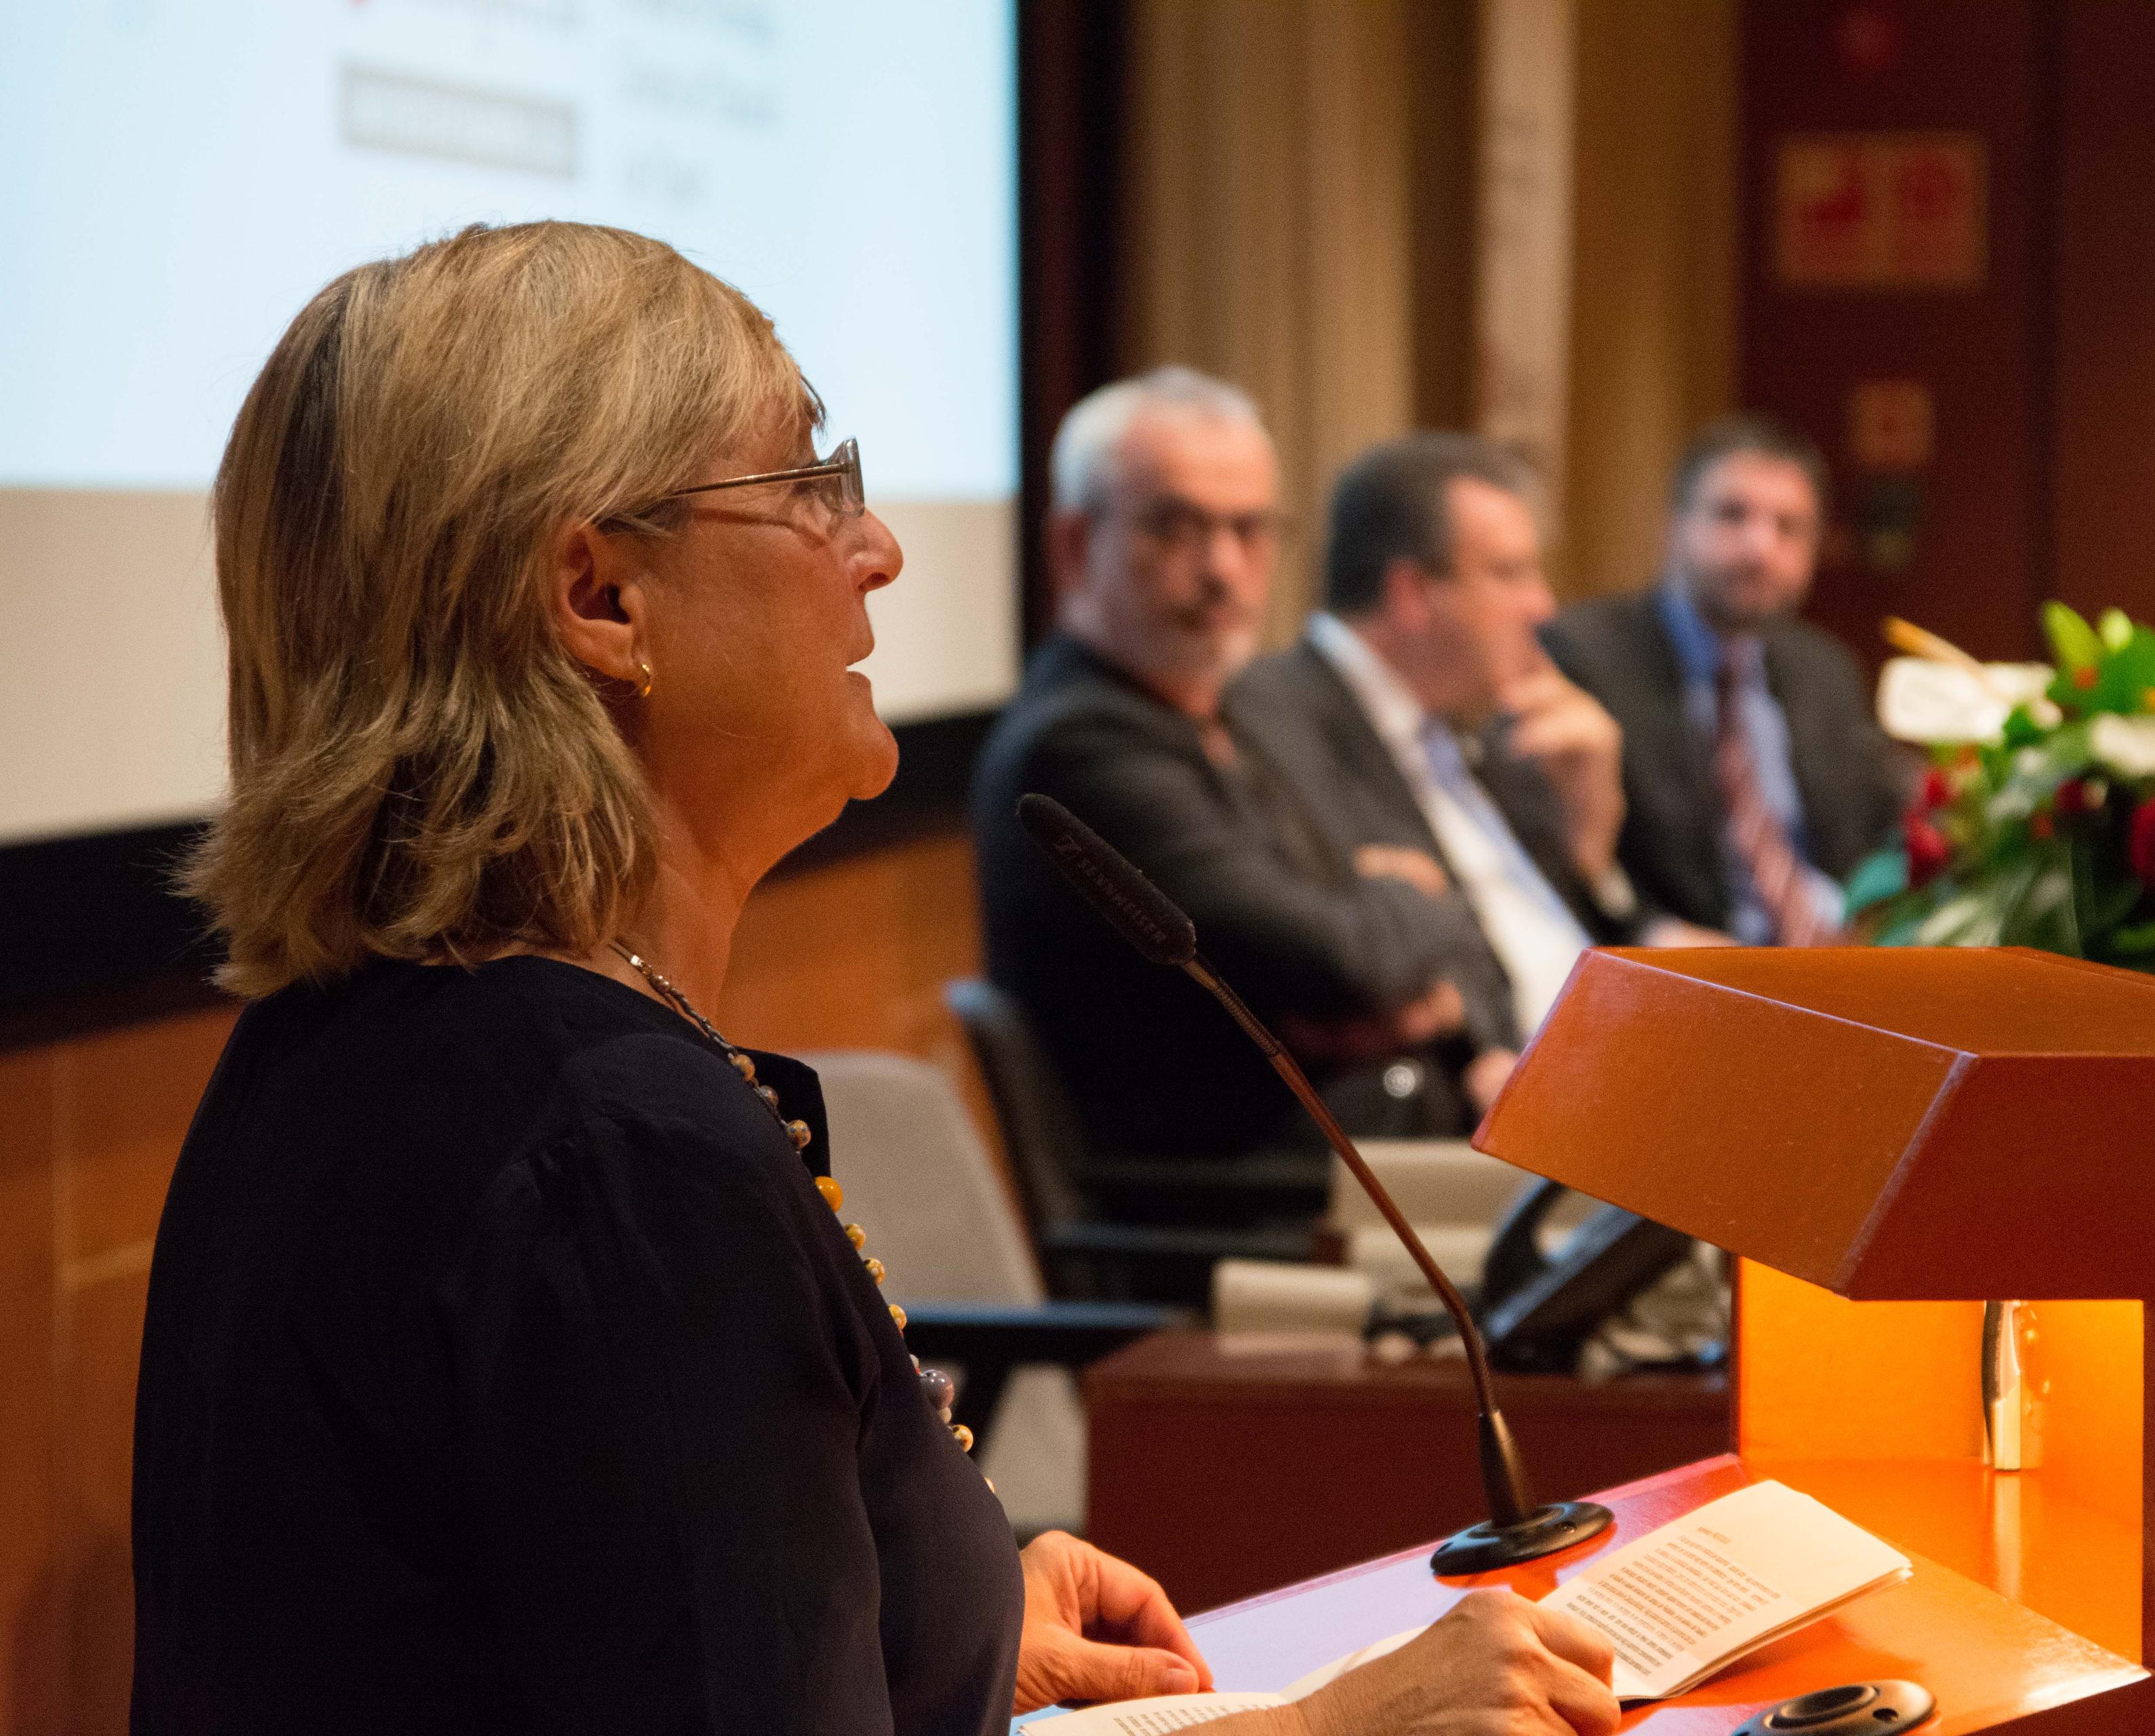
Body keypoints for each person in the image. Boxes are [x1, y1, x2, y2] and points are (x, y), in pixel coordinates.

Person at [130, 222, 1619, 1735]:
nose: (878, 548)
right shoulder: (616, 1158)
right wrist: (1325, 1729)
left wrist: (930, 1619)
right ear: (600, 598)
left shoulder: (356, 1049)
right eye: (805, 486)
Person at [972, 371, 1503, 1163]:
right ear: (1077, 545)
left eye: (1249, 528)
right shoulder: (1079, 748)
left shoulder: (1241, 707)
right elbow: (1345, 961)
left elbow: (1365, 944)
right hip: (1240, 1210)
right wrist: (1406, 896)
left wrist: (1444, 1014)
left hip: (1362, 1155)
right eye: (1175, 528)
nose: (1223, 568)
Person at [1229, 434, 1647, 1090]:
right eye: (1510, 573)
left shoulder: (1487, 730)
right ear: (1413, 593)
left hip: (1606, 1078)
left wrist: (1591, 848)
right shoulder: (1271, 722)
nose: (1542, 605)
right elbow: (1356, 963)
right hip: (1477, 1123)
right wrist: (1472, 1041)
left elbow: (1560, 937)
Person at [1544, 416, 1907, 943]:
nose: (1761, 548)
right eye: (1732, 515)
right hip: (1681, 969)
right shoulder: (1585, 656)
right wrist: (1654, 934)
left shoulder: (1826, 669)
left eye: (1789, 527)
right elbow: (1569, 856)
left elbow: (1871, 837)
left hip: (1835, 964)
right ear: (1675, 524)